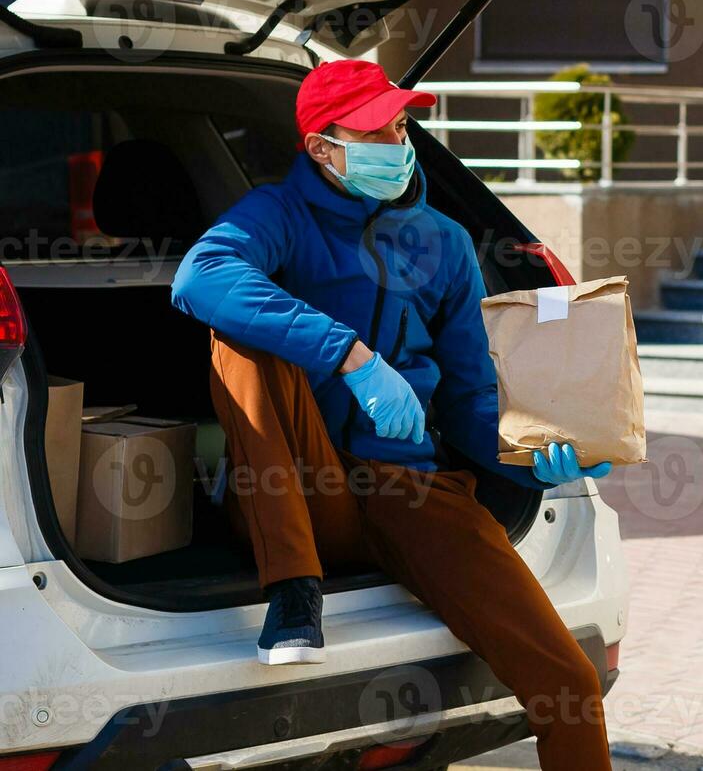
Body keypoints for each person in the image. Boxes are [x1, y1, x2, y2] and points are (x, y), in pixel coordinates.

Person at [171, 59, 614, 769]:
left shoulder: (444, 242)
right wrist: (351, 357)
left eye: (401, 124)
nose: (398, 140)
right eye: (376, 128)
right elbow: (201, 277)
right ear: (322, 146)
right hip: (300, 491)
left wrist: (537, 456)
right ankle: (292, 592)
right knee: (240, 343)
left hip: (411, 488)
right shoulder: (278, 214)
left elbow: (471, 400)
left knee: (570, 681)